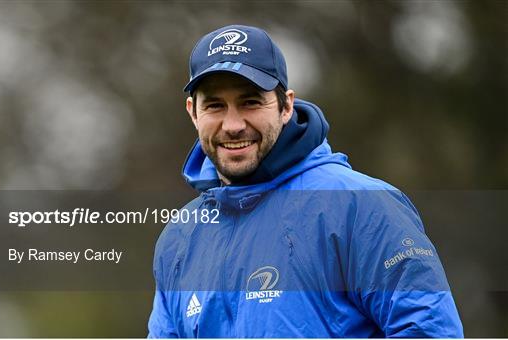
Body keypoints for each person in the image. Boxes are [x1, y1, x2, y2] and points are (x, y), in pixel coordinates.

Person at [147, 24, 464, 338]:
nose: (232, 124)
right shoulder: (180, 238)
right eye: (215, 105)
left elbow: (430, 331)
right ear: (193, 112)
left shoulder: (360, 207)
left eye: (251, 102)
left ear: (285, 106)